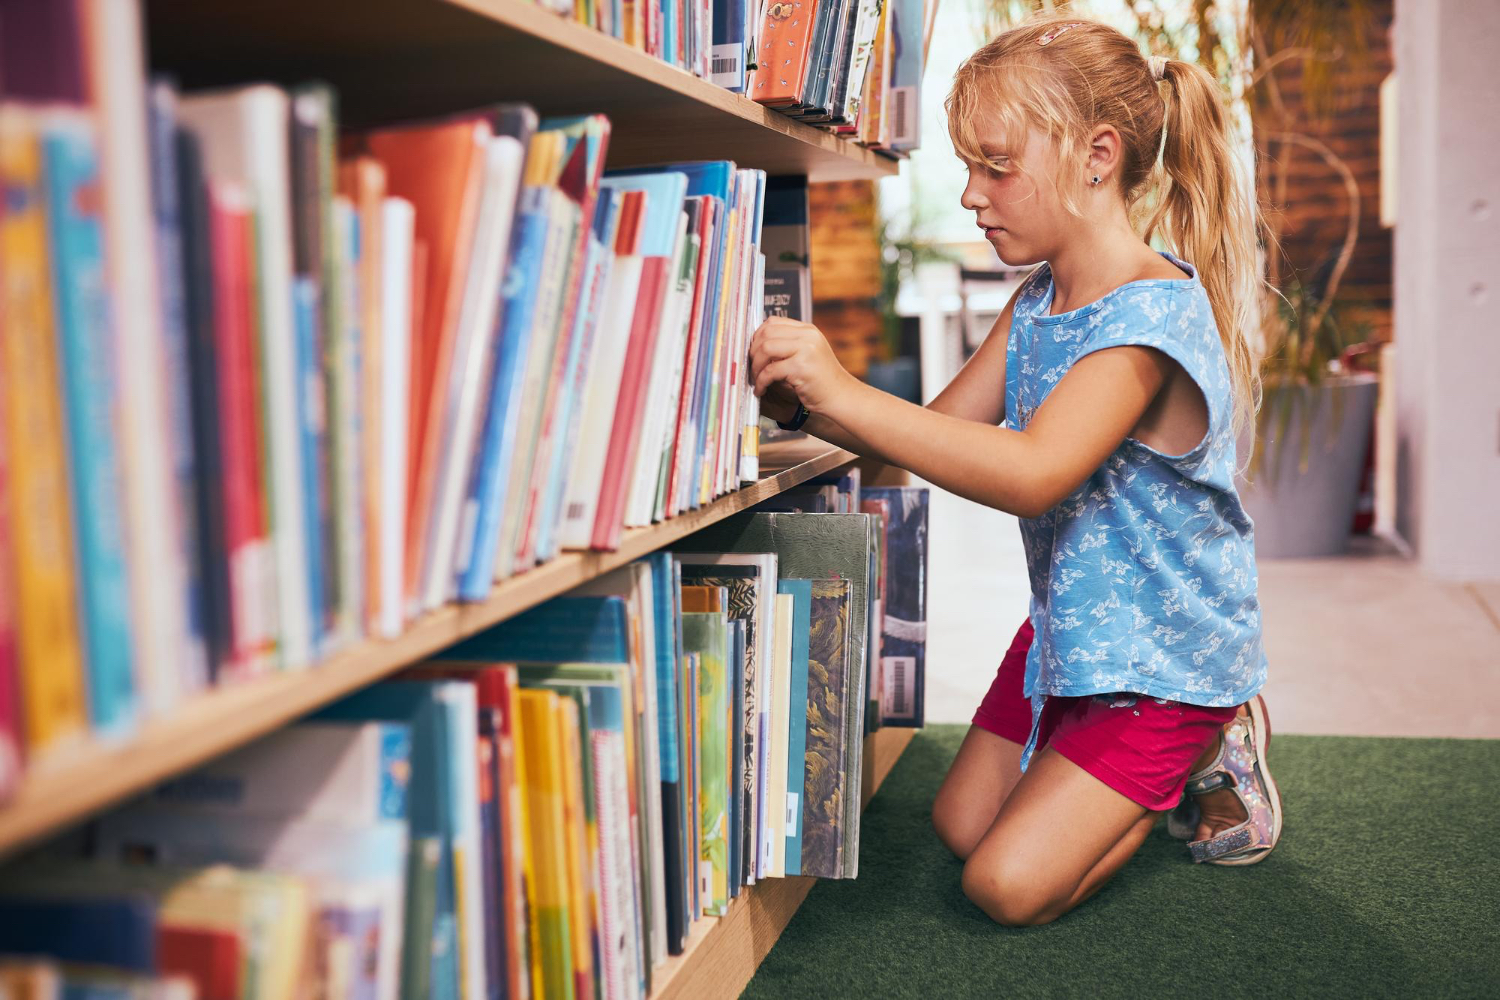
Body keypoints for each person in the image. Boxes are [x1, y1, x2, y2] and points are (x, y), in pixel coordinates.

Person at [747, 14, 1282, 927]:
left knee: (1003, 887)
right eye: (967, 168)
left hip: (1164, 664)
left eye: (995, 166)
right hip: (1071, 636)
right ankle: (1121, 777)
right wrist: (805, 403)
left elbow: (1035, 473)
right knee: (962, 825)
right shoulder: (1038, 302)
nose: (970, 196)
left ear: (1097, 156)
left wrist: (844, 385)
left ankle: (1210, 741)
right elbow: (940, 430)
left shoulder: (1146, 322)